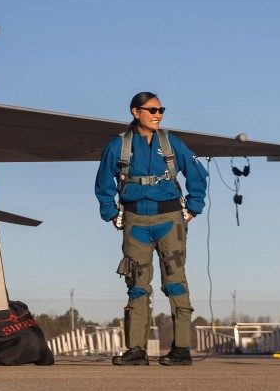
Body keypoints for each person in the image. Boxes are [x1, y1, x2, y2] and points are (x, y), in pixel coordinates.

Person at [94, 91, 208, 367]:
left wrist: (193, 208)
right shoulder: (118, 145)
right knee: (136, 285)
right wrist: (111, 213)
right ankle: (136, 350)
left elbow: (197, 175)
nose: (158, 115)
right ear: (136, 112)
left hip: (169, 220)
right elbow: (103, 183)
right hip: (135, 223)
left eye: (161, 110)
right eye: (153, 110)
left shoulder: (171, 143)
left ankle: (181, 349)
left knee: (175, 283)